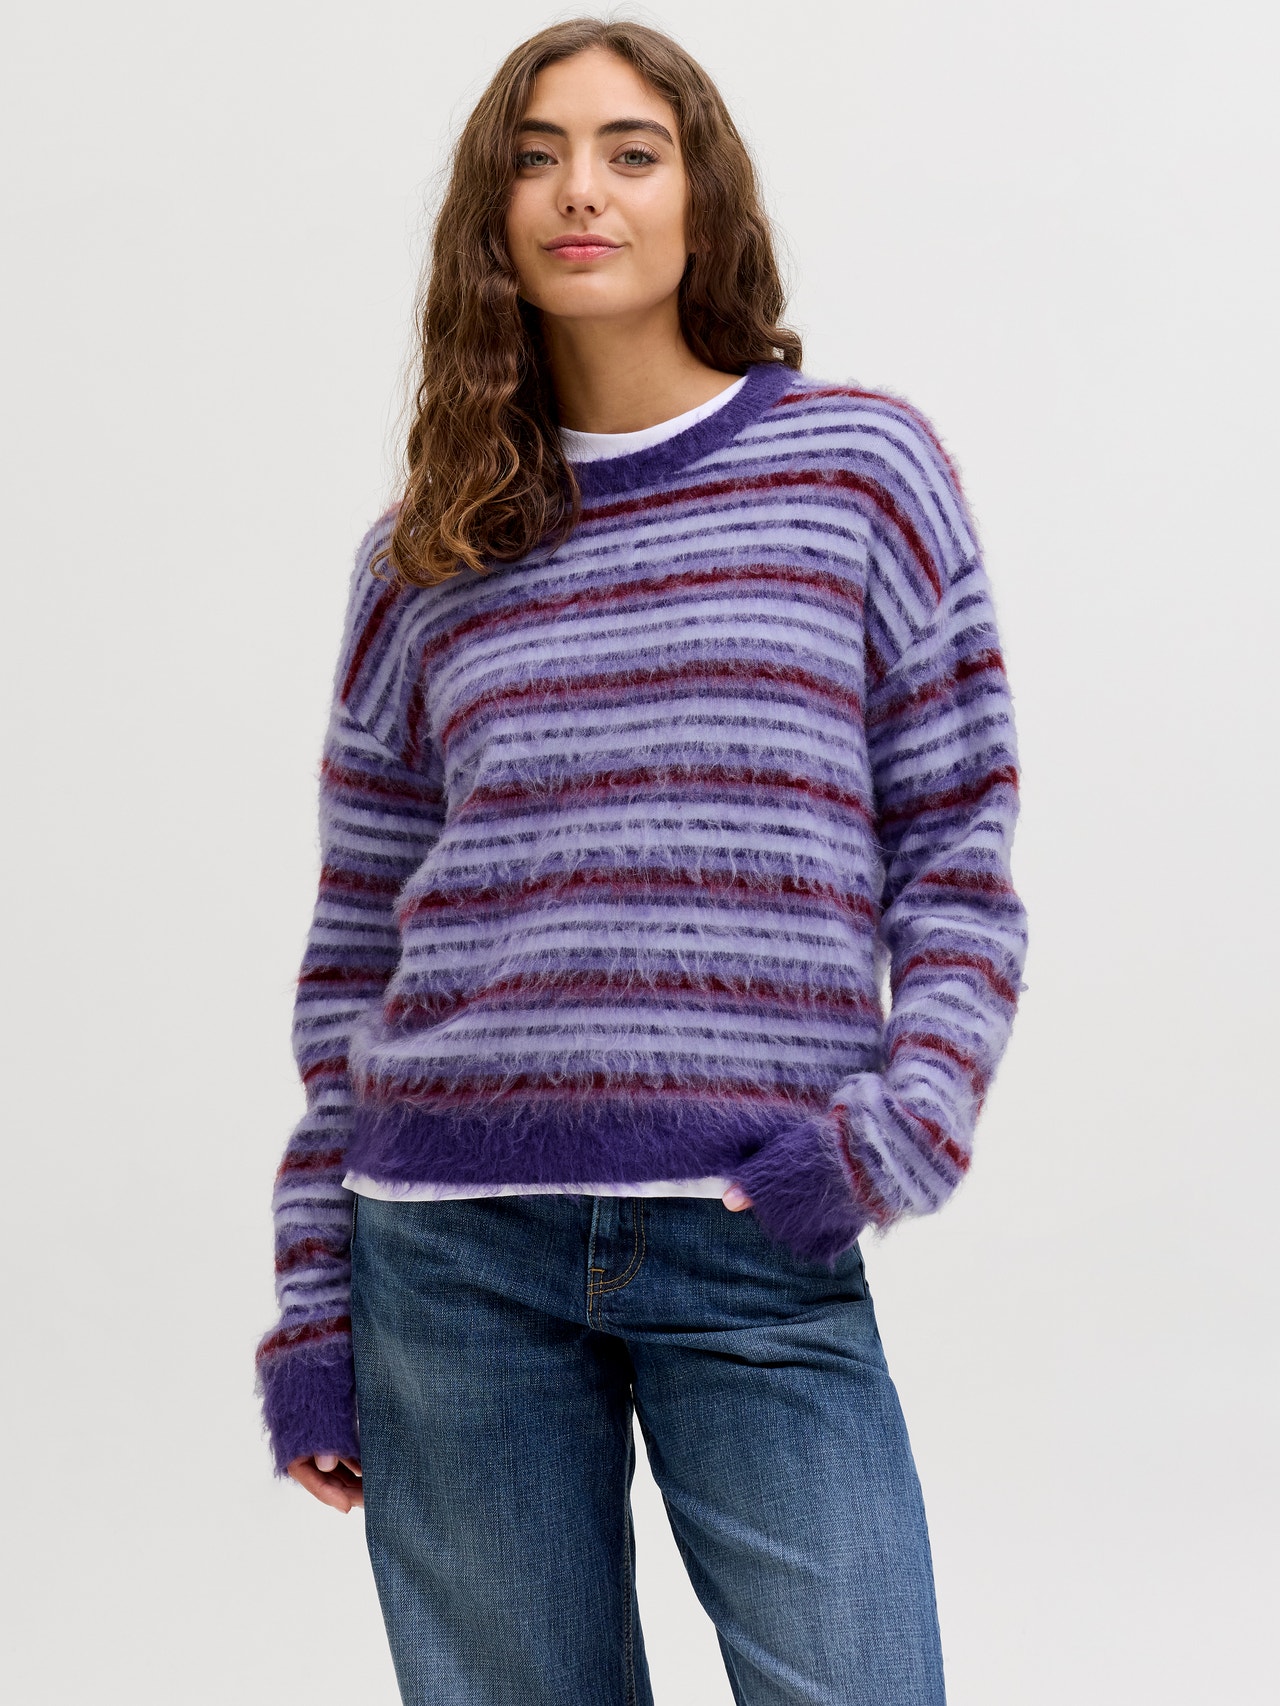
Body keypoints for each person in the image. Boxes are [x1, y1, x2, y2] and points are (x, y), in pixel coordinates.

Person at [253, 17, 1028, 1705]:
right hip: (447, 1250)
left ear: (702, 199)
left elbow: (960, 851)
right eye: (534, 158)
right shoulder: (425, 553)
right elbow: (355, 950)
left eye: (629, 151)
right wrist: (314, 1308)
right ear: (490, 216)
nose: (579, 191)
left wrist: (895, 1133)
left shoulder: (857, 472)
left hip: (756, 1224)